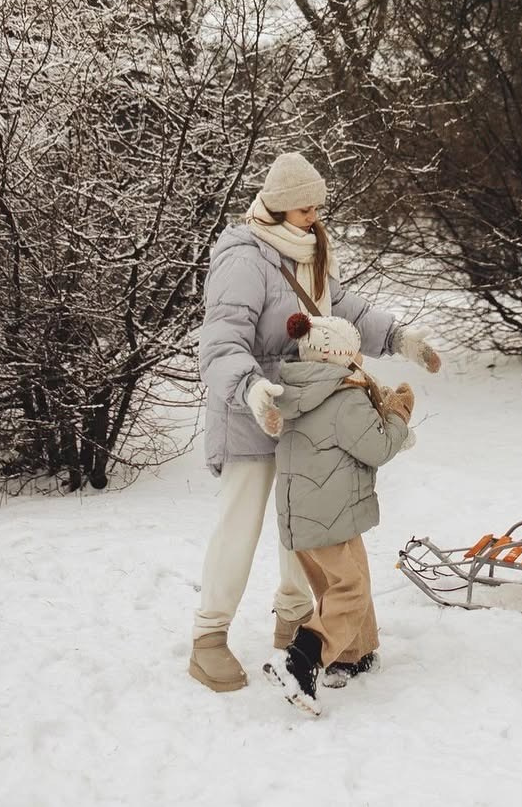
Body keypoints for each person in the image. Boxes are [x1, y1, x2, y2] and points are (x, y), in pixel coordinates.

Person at [189, 150, 441, 694]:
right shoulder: (244, 258)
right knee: (240, 525)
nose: (315, 216)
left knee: (303, 525)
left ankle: (293, 616)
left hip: (304, 413)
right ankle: (209, 635)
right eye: (306, 208)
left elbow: (345, 311)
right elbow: (222, 341)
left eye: (317, 207)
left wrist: (399, 338)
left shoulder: (311, 251)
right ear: (279, 206)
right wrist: (251, 387)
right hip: (250, 411)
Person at [263, 311, 416, 715]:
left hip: (302, 513)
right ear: (341, 355)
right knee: (351, 590)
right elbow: (378, 448)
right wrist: (398, 416)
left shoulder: (294, 389)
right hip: (330, 514)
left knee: (338, 584)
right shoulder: (344, 396)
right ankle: (301, 660)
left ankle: (353, 655)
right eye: (355, 353)